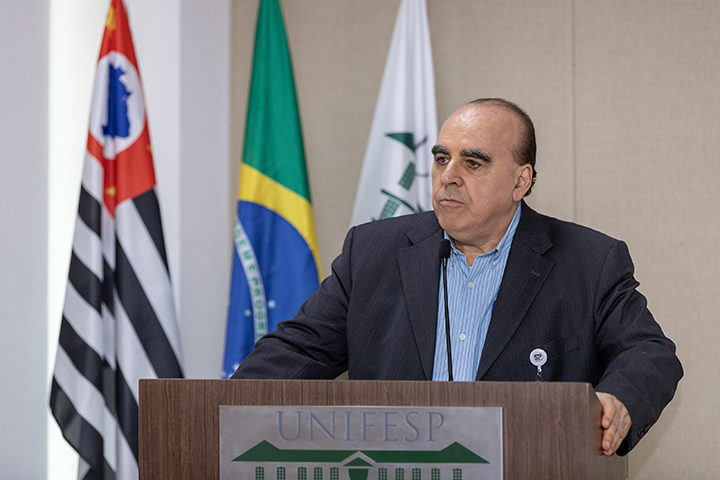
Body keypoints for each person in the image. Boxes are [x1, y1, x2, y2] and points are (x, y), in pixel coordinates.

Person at [231, 98, 683, 457]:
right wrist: (219, 410)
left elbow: (650, 353)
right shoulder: (373, 252)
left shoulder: (588, 260)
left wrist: (618, 401)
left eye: (473, 163)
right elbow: (296, 350)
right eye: (442, 158)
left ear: (520, 181)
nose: (448, 177)